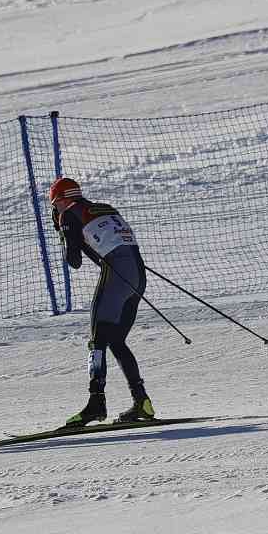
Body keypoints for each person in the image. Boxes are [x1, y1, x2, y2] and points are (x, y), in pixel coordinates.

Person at [49, 177, 155, 426]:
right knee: (117, 341)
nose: (55, 211)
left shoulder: (68, 215)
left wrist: (64, 235)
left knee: (97, 341)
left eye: (55, 206)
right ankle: (142, 402)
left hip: (117, 276)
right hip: (138, 277)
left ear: (61, 201)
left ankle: (96, 404)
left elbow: (74, 262)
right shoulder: (104, 208)